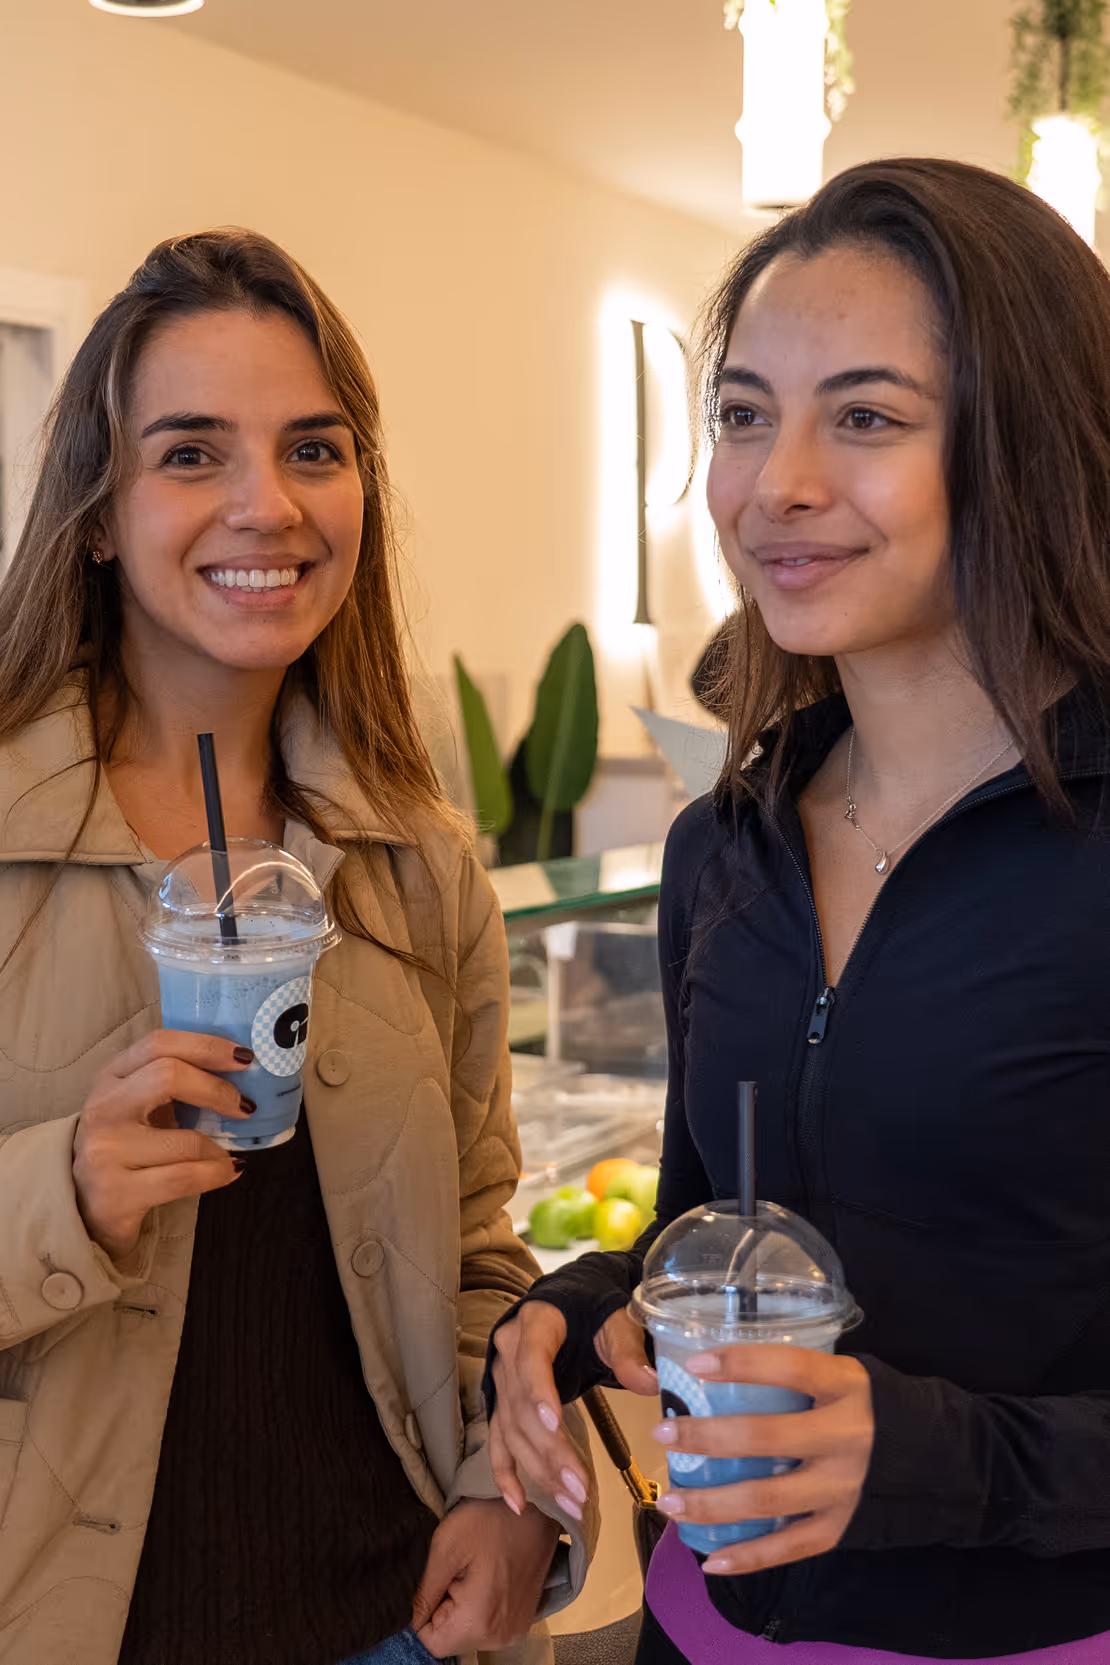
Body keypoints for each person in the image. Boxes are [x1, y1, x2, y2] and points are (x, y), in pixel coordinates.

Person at [484, 157, 1110, 1662]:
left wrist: (923, 1456)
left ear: (1023, 449)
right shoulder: (725, 845)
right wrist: (572, 1317)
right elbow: (709, 1228)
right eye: (745, 413)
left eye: (868, 418)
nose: (777, 484)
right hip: (706, 1630)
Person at [0, 229, 594, 1665]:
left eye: (314, 451)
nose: (266, 505)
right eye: (192, 454)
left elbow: (476, 1249)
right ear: (97, 510)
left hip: (386, 1618)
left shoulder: (418, 863)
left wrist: (504, 1495)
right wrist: (61, 1188)